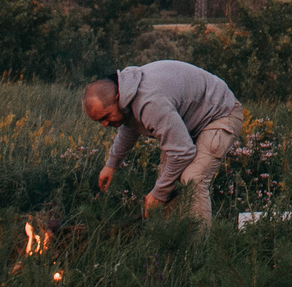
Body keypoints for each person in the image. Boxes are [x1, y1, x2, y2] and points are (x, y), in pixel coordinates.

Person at [84, 60, 245, 226]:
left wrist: (158, 194)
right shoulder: (126, 95)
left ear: (118, 98)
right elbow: (130, 127)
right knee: (166, 179)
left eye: (106, 117)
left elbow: (183, 153)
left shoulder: (150, 103)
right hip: (190, 120)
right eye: (99, 121)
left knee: (192, 179)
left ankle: (196, 249)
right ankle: (169, 239)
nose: (104, 124)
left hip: (220, 113)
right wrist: (111, 165)